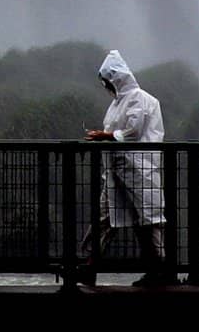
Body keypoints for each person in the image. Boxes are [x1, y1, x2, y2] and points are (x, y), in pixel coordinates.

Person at [78, 50, 176, 287]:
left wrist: (108, 136)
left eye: (108, 81)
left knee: (148, 220)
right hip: (118, 171)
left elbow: (133, 131)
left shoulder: (140, 99)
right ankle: (89, 265)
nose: (106, 86)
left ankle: (158, 270)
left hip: (140, 170)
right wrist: (108, 137)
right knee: (105, 218)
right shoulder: (117, 104)